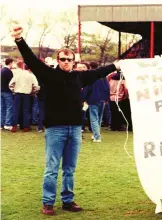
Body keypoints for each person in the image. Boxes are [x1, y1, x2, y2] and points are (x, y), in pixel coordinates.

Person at [11, 26, 121, 215]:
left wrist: (116, 65)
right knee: (52, 168)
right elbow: (31, 59)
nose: (66, 62)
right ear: (58, 60)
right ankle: (48, 202)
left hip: (75, 129)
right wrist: (19, 40)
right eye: (63, 59)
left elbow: (98, 72)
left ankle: (68, 201)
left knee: (70, 168)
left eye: (69, 59)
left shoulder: (79, 77)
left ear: (74, 61)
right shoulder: (49, 75)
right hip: (56, 129)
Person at [1, 58, 15, 131]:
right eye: (13, 63)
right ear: (10, 63)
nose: (13, 64)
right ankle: (8, 124)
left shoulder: (1, 70)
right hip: (7, 92)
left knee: (2, 108)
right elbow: (11, 83)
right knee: (9, 108)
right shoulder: (9, 72)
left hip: (1, 91)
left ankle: (1, 124)